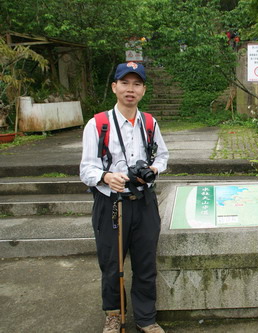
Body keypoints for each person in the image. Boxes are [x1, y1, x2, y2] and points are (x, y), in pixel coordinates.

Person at [80, 62, 169, 333]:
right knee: (111, 263)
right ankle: (114, 315)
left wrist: (153, 170)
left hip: (143, 202)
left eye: (137, 84)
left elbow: (163, 157)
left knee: (145, 262)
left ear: (143, 90)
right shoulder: (98, 124)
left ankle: (146, 318)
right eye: (125, 83)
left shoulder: (150, 122)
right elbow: (86, 168)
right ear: (114, 87)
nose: (131, 89)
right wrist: (106, 177)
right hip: (111, 204)